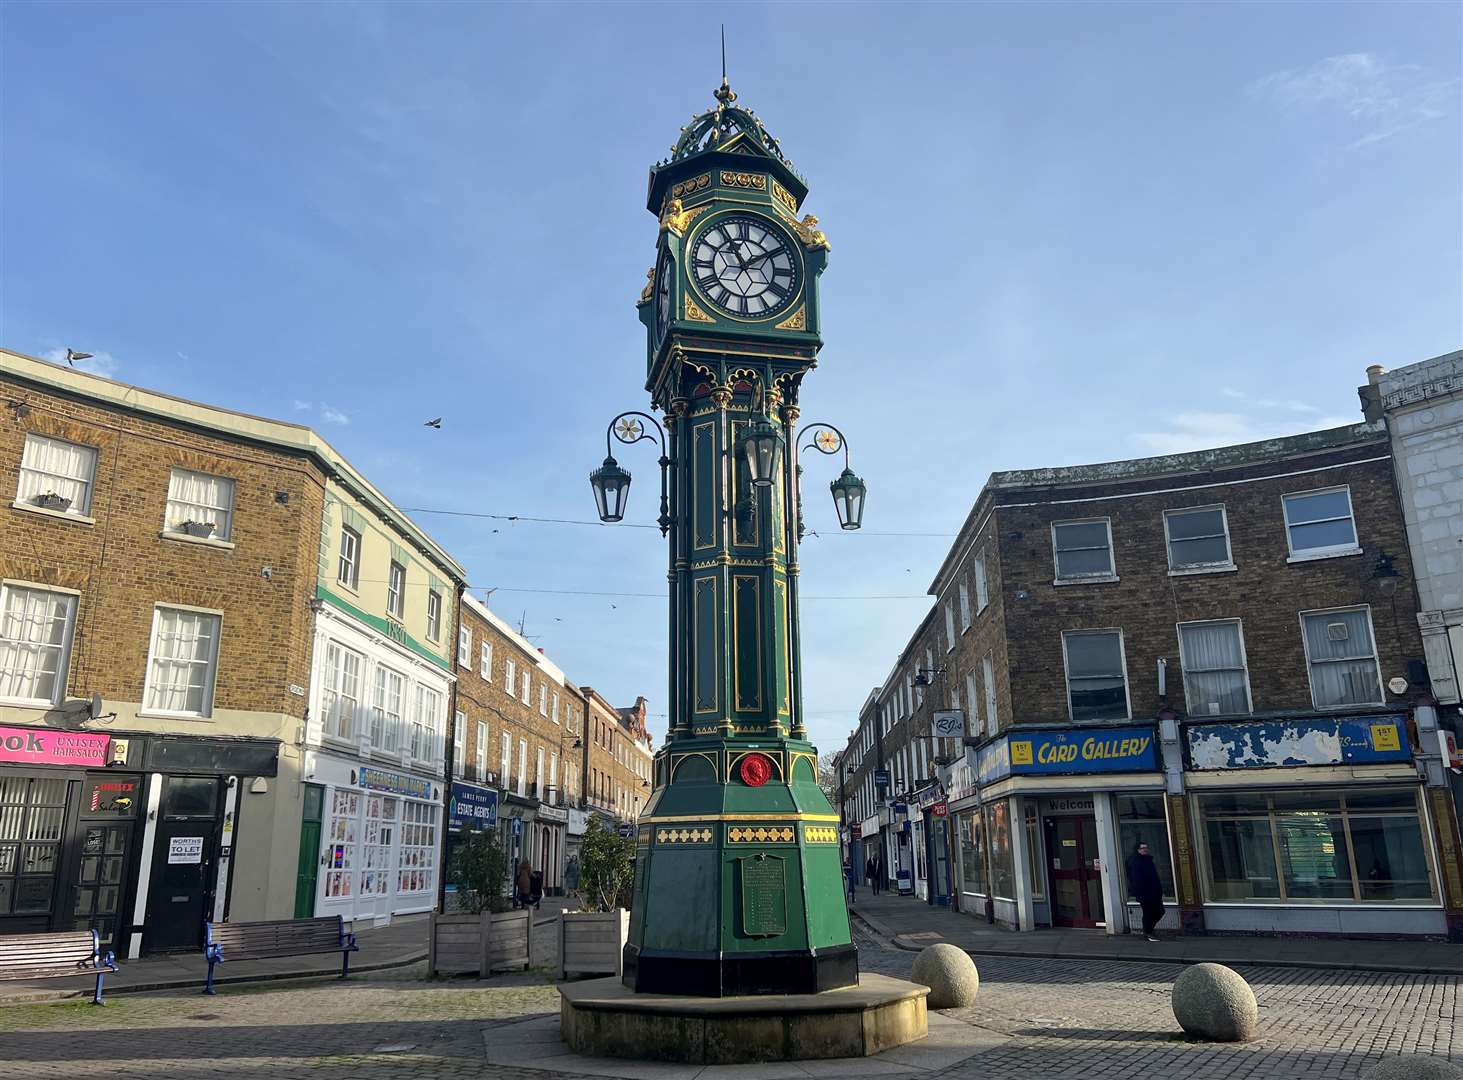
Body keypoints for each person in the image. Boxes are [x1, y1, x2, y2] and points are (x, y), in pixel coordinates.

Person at [1125, 841, 1164, 941]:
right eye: (1142, 848)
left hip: (1154, 891)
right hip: (1145, 893)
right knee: (1148, 912)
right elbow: (1136, 879)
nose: (1145, 849)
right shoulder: (1136, 862)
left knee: (1160, 911)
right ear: (1138, 850)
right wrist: (1140, 891)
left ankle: (1149, 930)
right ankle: (1148, 932)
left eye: (1146, 847)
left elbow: (1154, 876)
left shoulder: (1148, 860)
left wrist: (1158, 889)